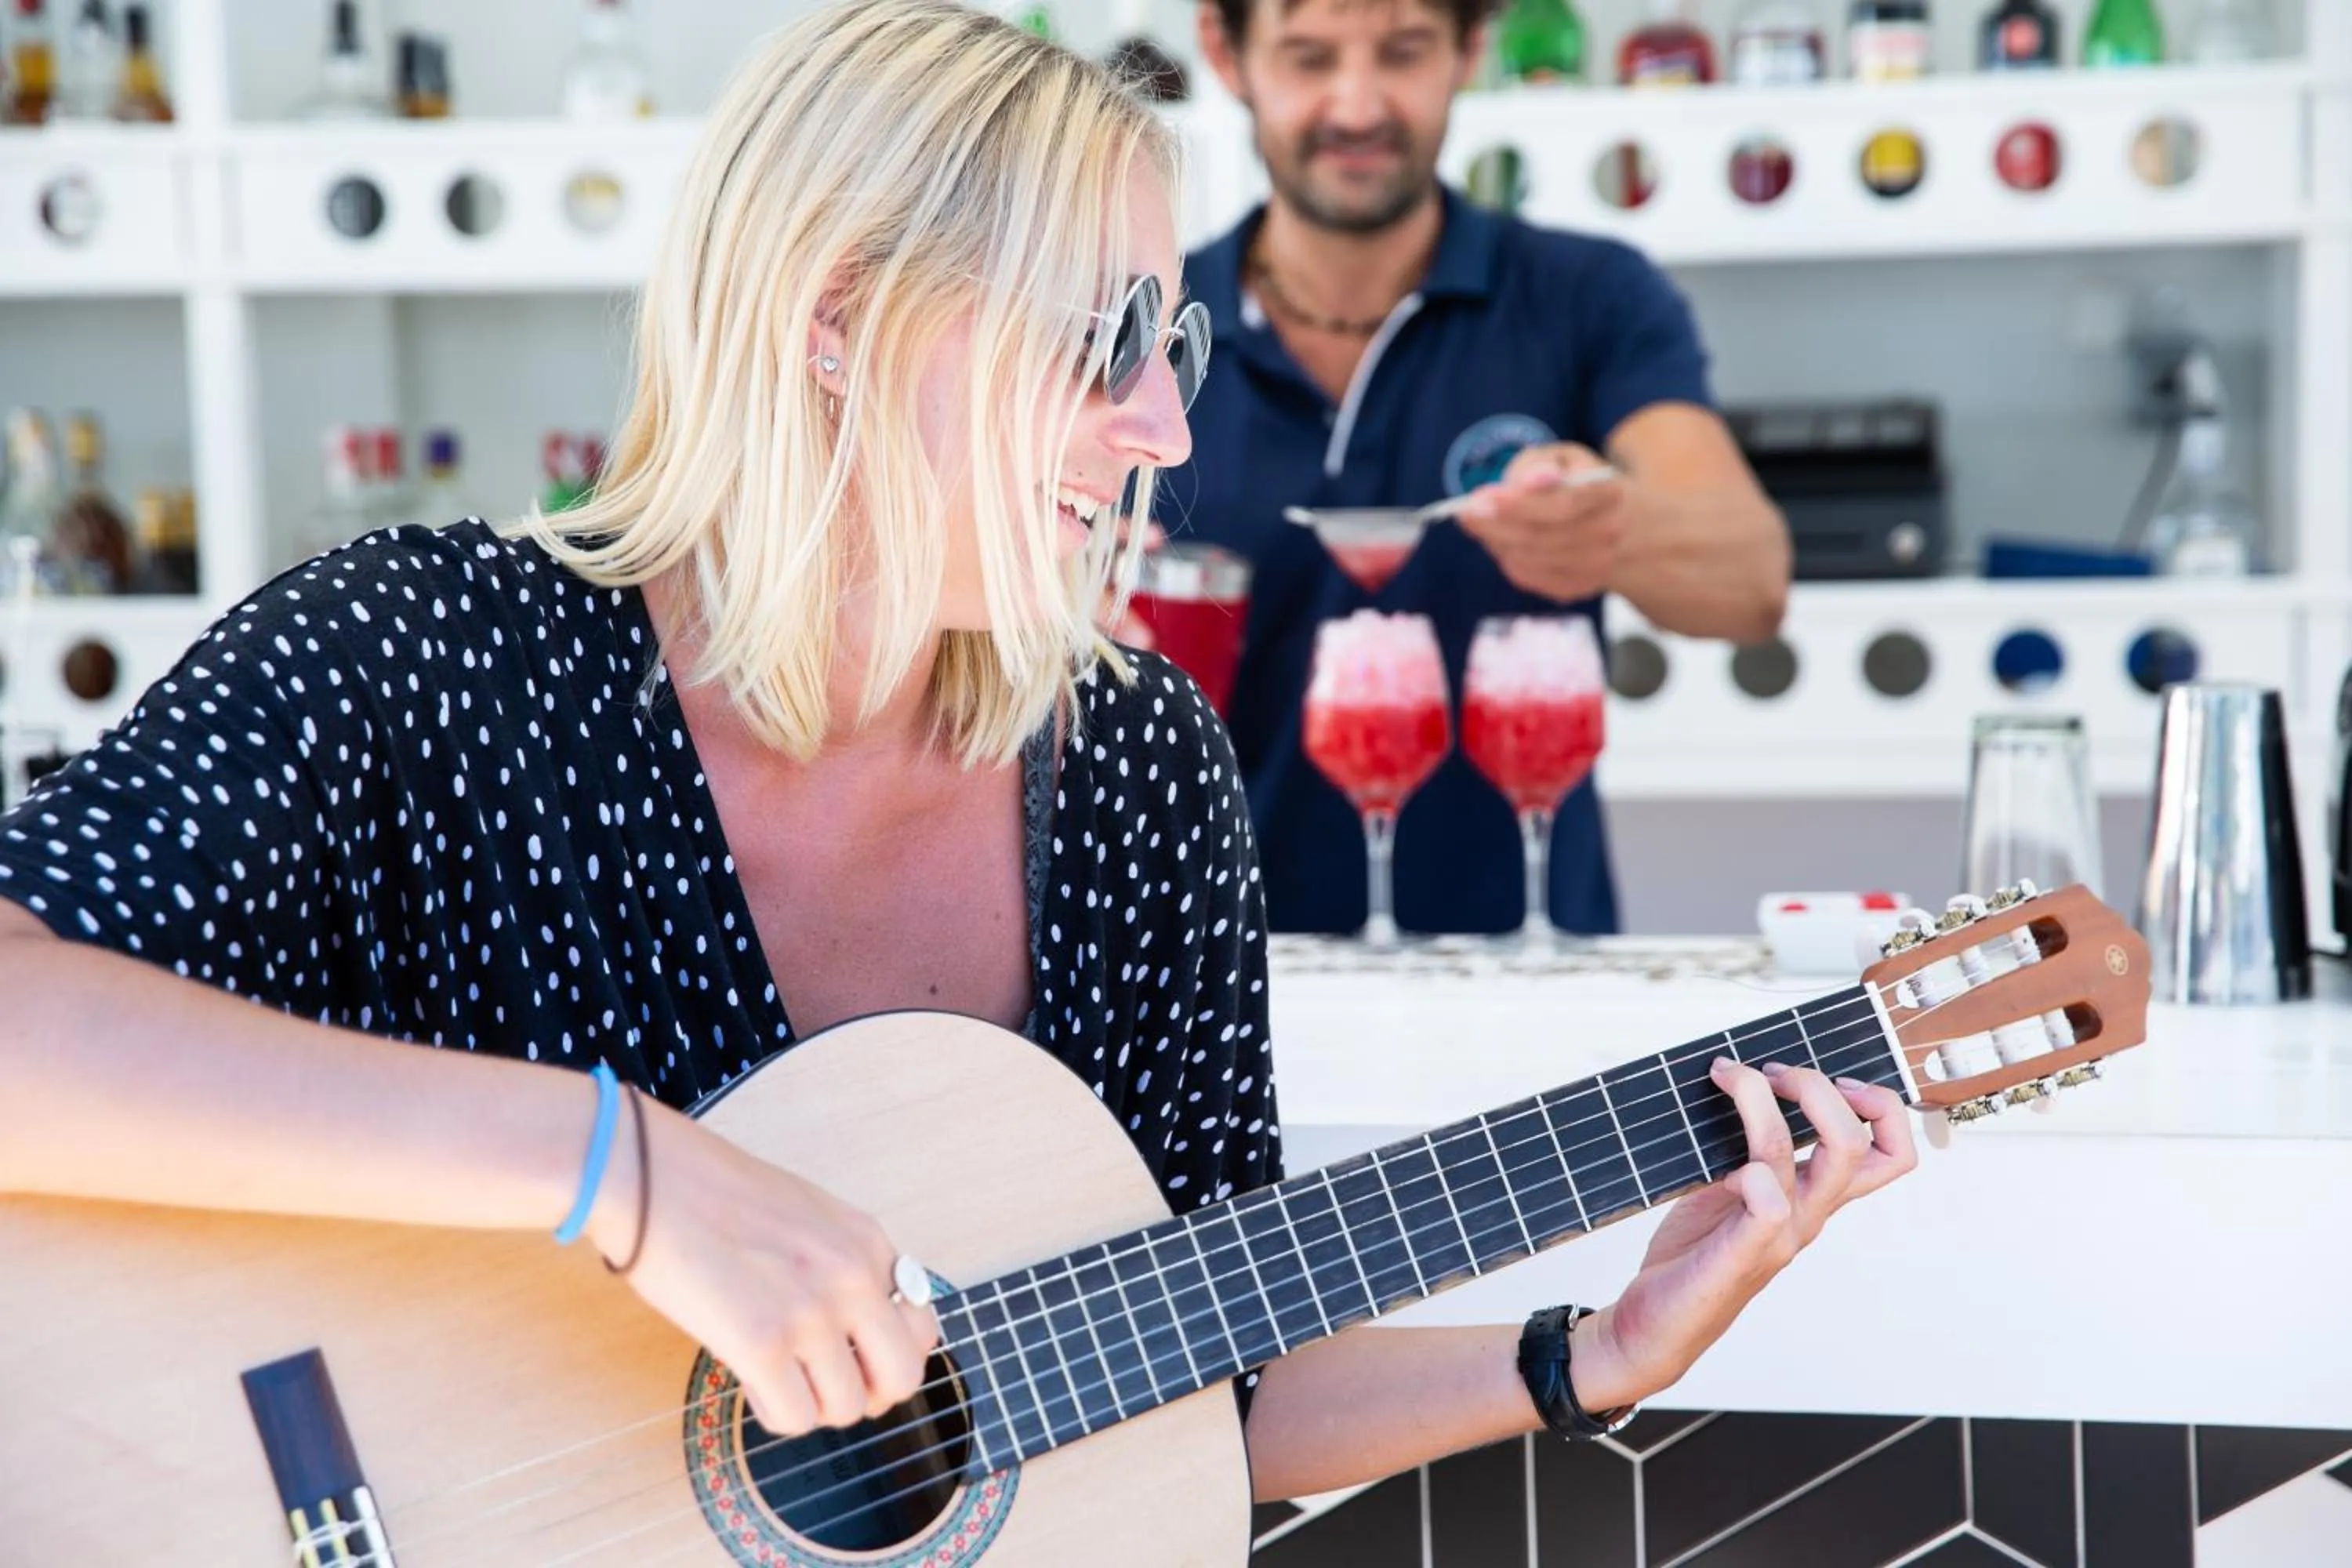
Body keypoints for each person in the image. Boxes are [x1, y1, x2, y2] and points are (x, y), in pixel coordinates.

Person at [0, 0, 1910, 1520]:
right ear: (836, 321)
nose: (1164, 422)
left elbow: (1187, 1383)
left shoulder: (1133, 766)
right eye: (1102, 344)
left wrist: (1584, 1353)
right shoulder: (425, 657)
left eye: (1169, 338)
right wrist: (620, 1170)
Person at [1159, 0, 1793, 938]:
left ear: (1470, 50)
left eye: (1405, 51)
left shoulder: (1589, 296)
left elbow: (1750, 582)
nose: (1359, 103)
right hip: (1214, 963)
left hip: (1529, 957)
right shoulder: (1156, 323)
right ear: (1227, 52)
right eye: (1309, 57)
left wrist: (1608, 526)